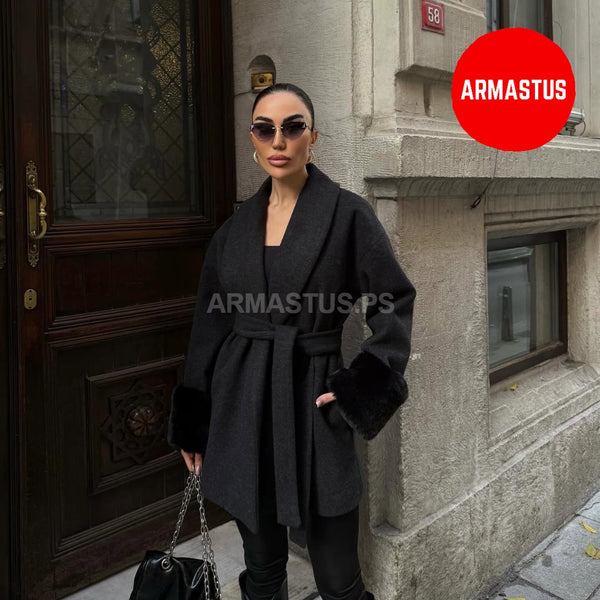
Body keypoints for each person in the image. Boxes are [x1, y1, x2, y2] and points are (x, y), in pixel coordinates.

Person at [167, 83, 416, 600]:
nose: (278, 140)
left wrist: (357, 392)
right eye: (265, 129)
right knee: (261, 570)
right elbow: (210, 326)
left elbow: (393, 298)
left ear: (312, 137)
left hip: (313, 399)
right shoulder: (233, 230)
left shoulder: (348, 215)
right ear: (253, 140)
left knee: (339, 580)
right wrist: (195, 420)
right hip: (243, 408)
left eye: (292, 127)